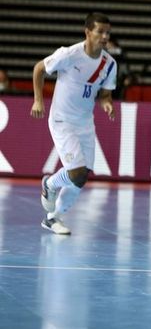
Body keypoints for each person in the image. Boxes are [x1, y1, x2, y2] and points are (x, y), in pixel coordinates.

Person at [30, 12, 117, 235]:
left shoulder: (109, 63)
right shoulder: (69, 54)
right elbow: (39, 68)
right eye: (100, 31)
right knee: (76, 173)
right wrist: (39, 100)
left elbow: (105, 94)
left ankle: (53, 218)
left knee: (81, 178)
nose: (105, 36)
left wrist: (106, 104)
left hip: (85, 123)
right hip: (62, 120)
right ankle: (49, 184)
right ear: (87, 32)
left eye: (107, 32)